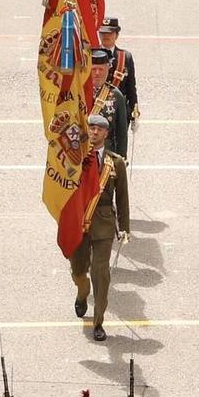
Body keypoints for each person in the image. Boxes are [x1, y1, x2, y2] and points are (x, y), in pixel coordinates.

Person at [69, 113, 130, 343]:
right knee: (78, 271)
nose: (94, 132)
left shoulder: (115, 163)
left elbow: (122, 198)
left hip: (104, 224)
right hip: (79, 221)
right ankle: (82, 293)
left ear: (106, 133)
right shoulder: (76, 157)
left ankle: (98, 322)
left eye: (99, 129)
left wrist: (124, 227)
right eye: (91, 128)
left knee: (101, 275)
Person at [97, 18, 140, 159]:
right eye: (103, 33)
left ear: (116, 35)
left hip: (119, 112)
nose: (106, 36)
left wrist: (134, 111)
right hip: (97, 109)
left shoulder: (124, 57)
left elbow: (130, 86)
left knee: (118, 145)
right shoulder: (92, 54)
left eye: (110, 33)